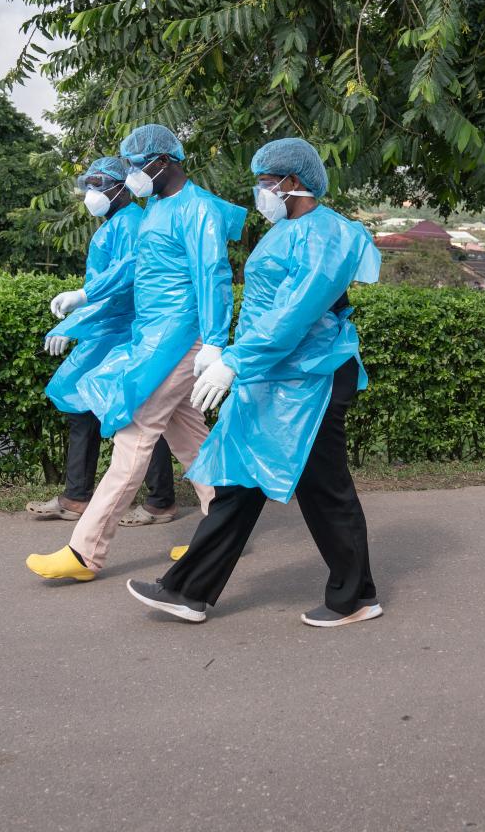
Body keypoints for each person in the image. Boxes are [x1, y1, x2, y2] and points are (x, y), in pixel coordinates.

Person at [124, 137, 384, 628]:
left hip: (313, 377)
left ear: (295, 182)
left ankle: (356, 597)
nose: (260, 191)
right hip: (272, 375)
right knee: (239, 480)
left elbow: (294, 313)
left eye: (266, 182)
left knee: (324, 488)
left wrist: (236, 360)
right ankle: (187, 590)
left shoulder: (327, 233)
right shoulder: (285, 229)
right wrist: (231, 356)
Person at [25, 124, 245, 582]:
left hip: (182, 339)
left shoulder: (198, 210)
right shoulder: (156, 208)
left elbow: (213, 277)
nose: (131, 174)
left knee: (134, 431)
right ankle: (226, 529)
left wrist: (216, 344)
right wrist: (86, 294)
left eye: (136, 165)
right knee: (189, 438)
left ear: (165, 161)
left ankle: (85, 551)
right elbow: (132, 267)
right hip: (155, 336)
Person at [27, 156, 180, 527]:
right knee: (93, 407)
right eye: (89, 186)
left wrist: (78, 313)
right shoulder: (117, 223)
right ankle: (80, 495)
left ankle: (157, 501)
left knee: (135, 413)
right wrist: (81, 316)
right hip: (109, 330)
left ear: (122, 187)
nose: (91, 193)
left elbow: (122, 284)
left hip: (123, 331)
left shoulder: (128, 223)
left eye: (99, 185)